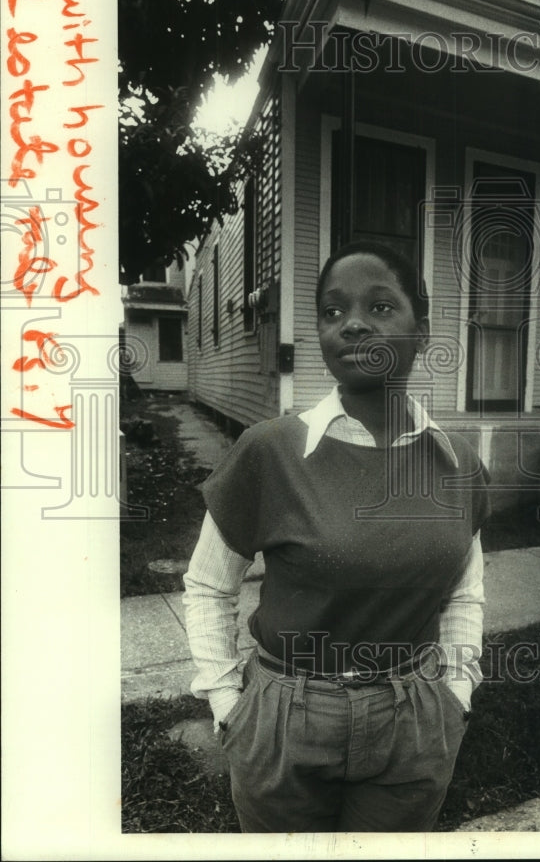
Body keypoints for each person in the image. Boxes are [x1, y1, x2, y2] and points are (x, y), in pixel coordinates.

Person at [183, 239, 491, 833]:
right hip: (285, 721)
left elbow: (464, 593)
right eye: (332, 311)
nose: (351, 324)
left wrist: (456, 691)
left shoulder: (457, 464)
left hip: (416, 718)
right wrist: (228, 707)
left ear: (421, 331)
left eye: (380, 307)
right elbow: (207, 586)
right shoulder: (270, 452)